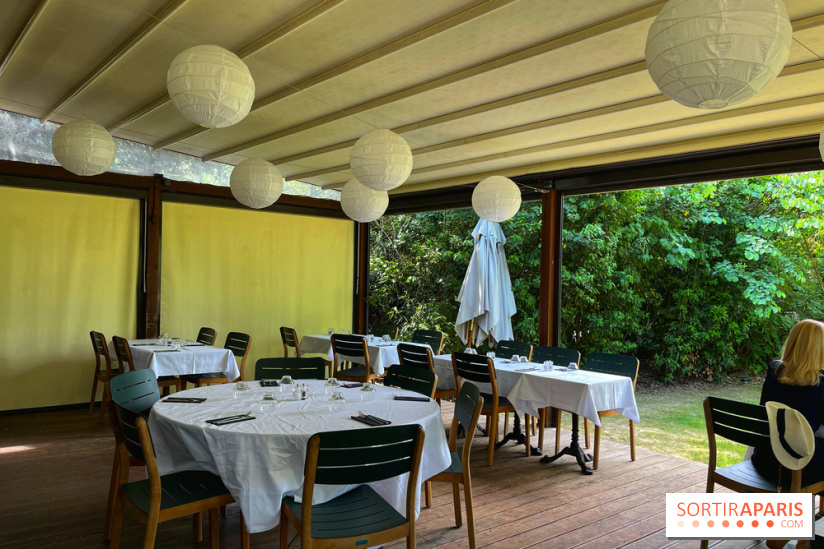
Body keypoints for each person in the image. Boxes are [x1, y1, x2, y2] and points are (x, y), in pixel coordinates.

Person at [752, 319, 824, 485]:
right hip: (801, 468)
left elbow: (764, 410)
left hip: (765, 460)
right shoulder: (819, 383)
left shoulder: (774, 370)